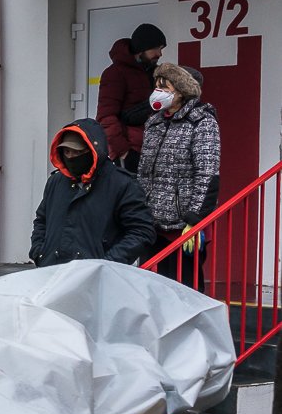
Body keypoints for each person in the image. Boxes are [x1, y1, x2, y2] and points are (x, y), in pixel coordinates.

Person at [138, 63, 220, 293]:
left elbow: (207, 173)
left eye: (165, 86)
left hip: (183, 226)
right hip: (152, 223)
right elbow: (145, 172)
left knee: (185, 289)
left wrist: (195, 219)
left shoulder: (202, 122)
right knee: (152, 289)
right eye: (157, 85)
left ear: (182, 91)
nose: (158, 91)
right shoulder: (154, 122)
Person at [30, 118, 153, 267]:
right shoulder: (56, 181)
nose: (70, 157)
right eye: (66, 152)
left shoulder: (122, 184)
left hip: (98, 278)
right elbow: (42, 220)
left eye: (77, 152)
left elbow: (141, 231)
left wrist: (107, 263)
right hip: (52, 272)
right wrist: (40, 253)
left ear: (94, 151)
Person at [96, 22, 166, 172]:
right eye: (155, 48)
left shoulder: (155, 73)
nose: (159, 54)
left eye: (160, 49)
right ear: (141, 49)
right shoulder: (115, 73)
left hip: (156, 151)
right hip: (131, 153)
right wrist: (123, 153)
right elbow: (106, 117)